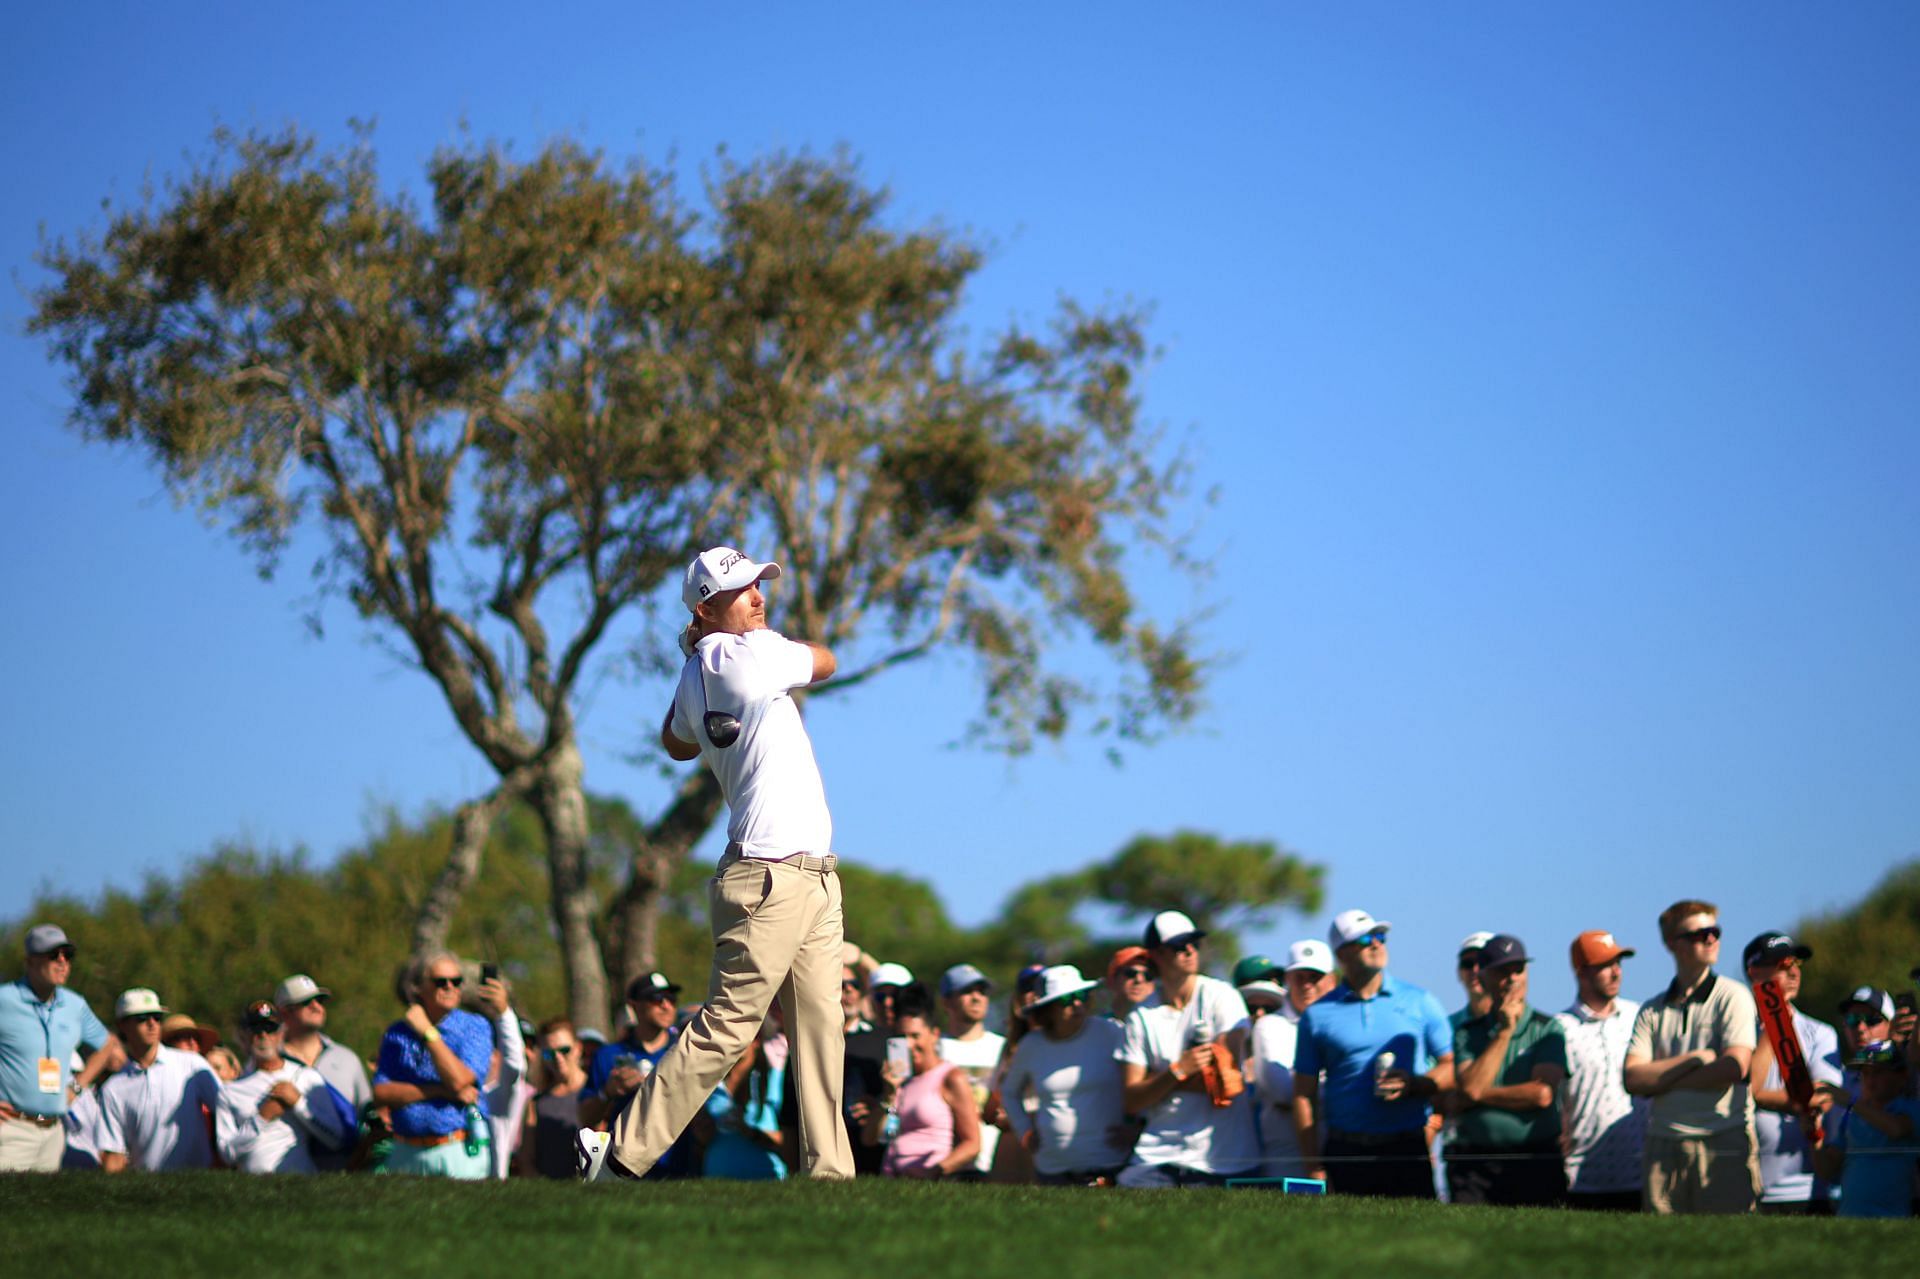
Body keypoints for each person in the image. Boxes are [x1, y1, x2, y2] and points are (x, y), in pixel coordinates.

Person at [584, 547, 851, 1185]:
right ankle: (619, 1154)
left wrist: (697, 671)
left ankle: (831, 1178)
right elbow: (829, 660)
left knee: (821, 1029)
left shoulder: (702, 668)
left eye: (760, 585)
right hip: (771, 874)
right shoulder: (748, 655)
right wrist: (727, 655)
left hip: (808, 874)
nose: (759, 598)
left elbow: (674, 743)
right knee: (730, 1024)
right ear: (706, 606)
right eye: (743, 591)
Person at [1292, 910, 1454, 1199]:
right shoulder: (1316, 1016)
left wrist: (1415, 1084)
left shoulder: (1419, 1001)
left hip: (1407, 1148)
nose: (1377, 944)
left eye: (1381, 937)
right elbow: (1304, 1094)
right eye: (1366, 939)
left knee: (1419, 1242)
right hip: (1345, 1152)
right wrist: (1312, 1164)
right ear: (1342, 953)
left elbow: (1450, 1066)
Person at [1623, 899, 1759, 1215]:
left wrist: (1661, 1081)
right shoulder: (1653, 1008)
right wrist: (1695, 1059)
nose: (1711, 939)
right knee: (1660, 1252)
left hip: (1723, 1139)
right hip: (1663, 1142)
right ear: (1673, 944)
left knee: (1730, 1249)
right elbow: (1632, 1078)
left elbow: (1734, 1067)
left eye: (1715, 931)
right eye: (1700, 934)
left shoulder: (1733, 995)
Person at [1116, 909, 1260, 1187]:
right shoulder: (1141, 1016)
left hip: (1224, 1157)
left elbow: (1224, 1079)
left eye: (1194, 943)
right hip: (1157, 1156)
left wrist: (1157, 1082)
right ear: (1157, 955)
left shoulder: (1222, 997)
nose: (1190, 951)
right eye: (1179, 946)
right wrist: (1178, 1070)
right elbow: (1131, 1100)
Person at [1446, 935, 1568, 1206]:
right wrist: (1504, 1032)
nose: (1513, 979)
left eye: (1519, 969)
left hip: (1535, 1161)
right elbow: (1470, 1086)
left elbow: (1541, 1095)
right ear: (1484, 976)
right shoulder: (1467, 1033)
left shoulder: (1547, 1028)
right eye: (1503, 971)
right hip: (1475, 1165)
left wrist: (1476, 1096)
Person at [1, 924, 117, 1172]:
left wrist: (76, 1086)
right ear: (30, 962)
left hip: (54, 1133)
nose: (62, 962)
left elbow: (108, 1045)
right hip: (10, 1130)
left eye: (67, 955)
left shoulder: (74, 1005)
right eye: (53, 955)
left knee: (43, 1210)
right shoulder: (4, 1000)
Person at [999, 965, 1130, 1184]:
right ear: (1048, 1009)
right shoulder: (1032, 1045)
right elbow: (1010, 1092)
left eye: (1082, 996)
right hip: (1051, 1169)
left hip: (1109, 1164)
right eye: (1068, 999)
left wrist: (1135, 1128)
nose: (1077, 1004)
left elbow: (1138, 1079)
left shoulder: (1111, 1032)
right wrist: (1025, 1132)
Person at [1742, 931, 1843, 1214]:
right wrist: (1774, 1022)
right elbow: (1742, 1093)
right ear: (1754, 972)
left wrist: (1761, 1096)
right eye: (1783, 966)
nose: (1794, 972)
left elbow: (1822, 1097)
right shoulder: (1737, 1031)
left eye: (1796, 964)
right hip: (1749, 1184)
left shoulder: (1820, 1032)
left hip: (1809, 1187)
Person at [371, 954, 494, 1179]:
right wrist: (436, 1091)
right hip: (405, 1150)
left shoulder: (474, 1026)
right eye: (440, 981)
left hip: (457, 1147)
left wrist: (428, 1032)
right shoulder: (396, 1033)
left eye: (456, 981)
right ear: (418, 988)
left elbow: (459, 1081)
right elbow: (381, 1092)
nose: (449, 987)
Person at [1553, 929, 1649, 1210]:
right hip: (1582, 1178)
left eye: (1618, 964)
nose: (1616, 972)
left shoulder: (1640, 1016)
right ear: (1582, 972)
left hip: (1641, 1175)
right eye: (1606, 966)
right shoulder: (1560, 1027)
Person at [581, 972, 701, 1178]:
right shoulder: (609, 1055)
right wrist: (607, 1093)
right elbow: (585, 1118)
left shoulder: (685, 1051)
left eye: (671, 999)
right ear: (634, 1005)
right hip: (623, 1164)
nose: (666, 1005)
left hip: (677, 1162)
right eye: (656, 999)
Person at [216, 1000, 349, 1174]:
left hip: (300, 1183)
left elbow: (335, 1138)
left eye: (270, 1028)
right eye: (256, 1029)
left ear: (281, 1034)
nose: (263, 1035)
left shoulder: (306, 1076)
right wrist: (261, 1118)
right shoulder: (230, 1091)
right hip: (250, 1190)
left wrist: (299, 1103)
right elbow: (227, 1153)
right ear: (245, 1036)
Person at [98, 987, 223, 1172]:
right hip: (149, 1190)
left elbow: (226, 1111)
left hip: (197, 1183)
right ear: (123, 1025)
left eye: (157, 1017)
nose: (152, 1024)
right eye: (142, 1018)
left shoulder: (192, 1064)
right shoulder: (113, 1088)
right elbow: (113, 1154)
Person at [1246, 939, 1335, 1180]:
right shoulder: (1269, 1026)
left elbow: (1295, 1094)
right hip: (1286, 1158)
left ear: (1332, 980)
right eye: (1299, 977)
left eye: (1314, 977)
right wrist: (1336, 1090)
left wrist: (1306, 1090)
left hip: (1340, 1150)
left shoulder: (1342, 1024)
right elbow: (1284, 1091)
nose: (1307, 985)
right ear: (1288, 980)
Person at [866, 1006, 980, 1179]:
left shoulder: (950, 1077)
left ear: (934, 1035)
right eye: (902, 1038)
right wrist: (889, 1094)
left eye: (915, 1036)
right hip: (891, 1179)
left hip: (927, 1181)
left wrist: (935, 1171)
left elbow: (972, 1143)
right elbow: (869, 1138)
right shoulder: (900, 1082)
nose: (909, 1044)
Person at [275, 972, 371, 1171]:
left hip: (344, 1171)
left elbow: (367, 1116)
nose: (316, 1006)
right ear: (284, 1012)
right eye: (306, 1002)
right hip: (286, 1173)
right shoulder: (270, 1063)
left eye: (319, 1000)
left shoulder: (347, 1058)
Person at [1813, 1039, 1918, 1218]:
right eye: (1865, 1073)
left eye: (1878, 1072)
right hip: (1849, 1218)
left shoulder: (1910, 1108)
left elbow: (1896, 1129)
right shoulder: (1853, 1117)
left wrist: (1850, 1101)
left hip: (1894, 1219)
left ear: (1902, 1076)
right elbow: (1827, 1170)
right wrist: (1814, 1134)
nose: (1870, 1080)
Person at [938, 962, 1005, 1176]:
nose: (977, 997)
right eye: (966, 991)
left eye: (982, 991)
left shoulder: (1003, 1048)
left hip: (997, 1160)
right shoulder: (935, 1049)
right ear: (946, 1002)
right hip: (948, 1160)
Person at [520, 1018, 589, 1179]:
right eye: (549, 1054)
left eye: (564, 1050)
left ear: (578, 1048)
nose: (558, 1058)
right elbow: (526, 1160)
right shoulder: (536, 1103)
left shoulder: (598, 1093)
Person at [1106, 946, 1157, 1023]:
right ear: (1112, 981)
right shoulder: (1097, 1027)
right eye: (1130, 973)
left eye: (1148, 975)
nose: (1139, 980)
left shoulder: (1166, 1025)